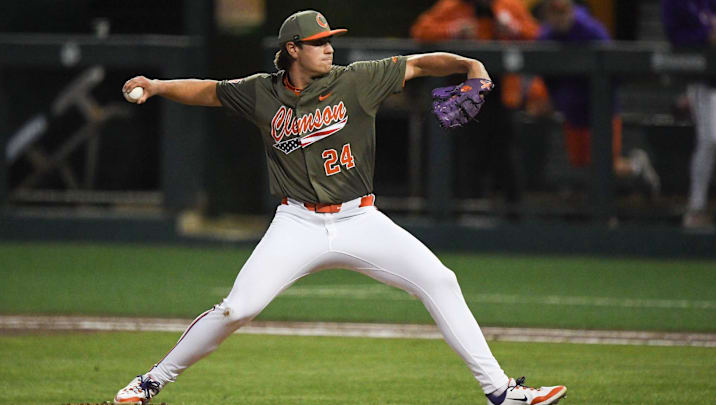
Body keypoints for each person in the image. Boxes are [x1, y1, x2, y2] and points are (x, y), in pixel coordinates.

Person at [113, 10, 567, 405]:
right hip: (297, 222)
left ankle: (502, 392)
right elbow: (207, 90)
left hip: (360, 219)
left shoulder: (357, 79)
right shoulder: (261, 92)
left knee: (440, 280)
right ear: (292, 49)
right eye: (318, 42)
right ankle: (150, 382)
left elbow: (420, 63)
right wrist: (156, 85)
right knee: (238, 309)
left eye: (330, 40)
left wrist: (471, 64)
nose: (329, 48)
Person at [411, 0, 545, 212]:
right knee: (465, 154)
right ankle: (464, 211)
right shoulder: (452, 7)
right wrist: (454, 30)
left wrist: (513, 29)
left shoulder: (509, 7)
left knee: (506, 154)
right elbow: (420, 32)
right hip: (461, 94)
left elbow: (539, 35)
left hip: (500, 97)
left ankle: (513, 214)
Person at [535, 0, 661, 199]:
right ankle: (634, 171)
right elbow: (546, 75)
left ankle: (612, 203)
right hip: (574, 111)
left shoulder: (591, 30)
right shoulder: (546, 37)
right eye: (554, 13)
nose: (559, 19)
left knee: (605, 164)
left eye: (562, 12)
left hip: (601, 108)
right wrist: (556, 100)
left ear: (571, 11)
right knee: (581, 162)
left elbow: (614, 68)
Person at [662, 0, 716, 230]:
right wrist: (706, 38)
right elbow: (675, 37)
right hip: (704, 80)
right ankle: (696, 208)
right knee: (711, 139)